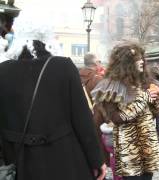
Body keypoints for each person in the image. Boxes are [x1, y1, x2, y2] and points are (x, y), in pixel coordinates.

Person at [0, 14, 106, 180]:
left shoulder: (2, 71)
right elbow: (82, 120)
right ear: (46, 36)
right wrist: (96, 160)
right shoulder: (63, 67)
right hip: (64, 162)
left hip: (19, 164)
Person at [91, 42, 159, 180]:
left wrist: (156, 100)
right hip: (129, 151)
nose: (142, 61)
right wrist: (144, 98)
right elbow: (117, 118)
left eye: (142, 57)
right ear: (126, 62)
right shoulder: (112, 87)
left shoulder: (144, 83)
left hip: (147, 146)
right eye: (137, 58)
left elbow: (154, 114)